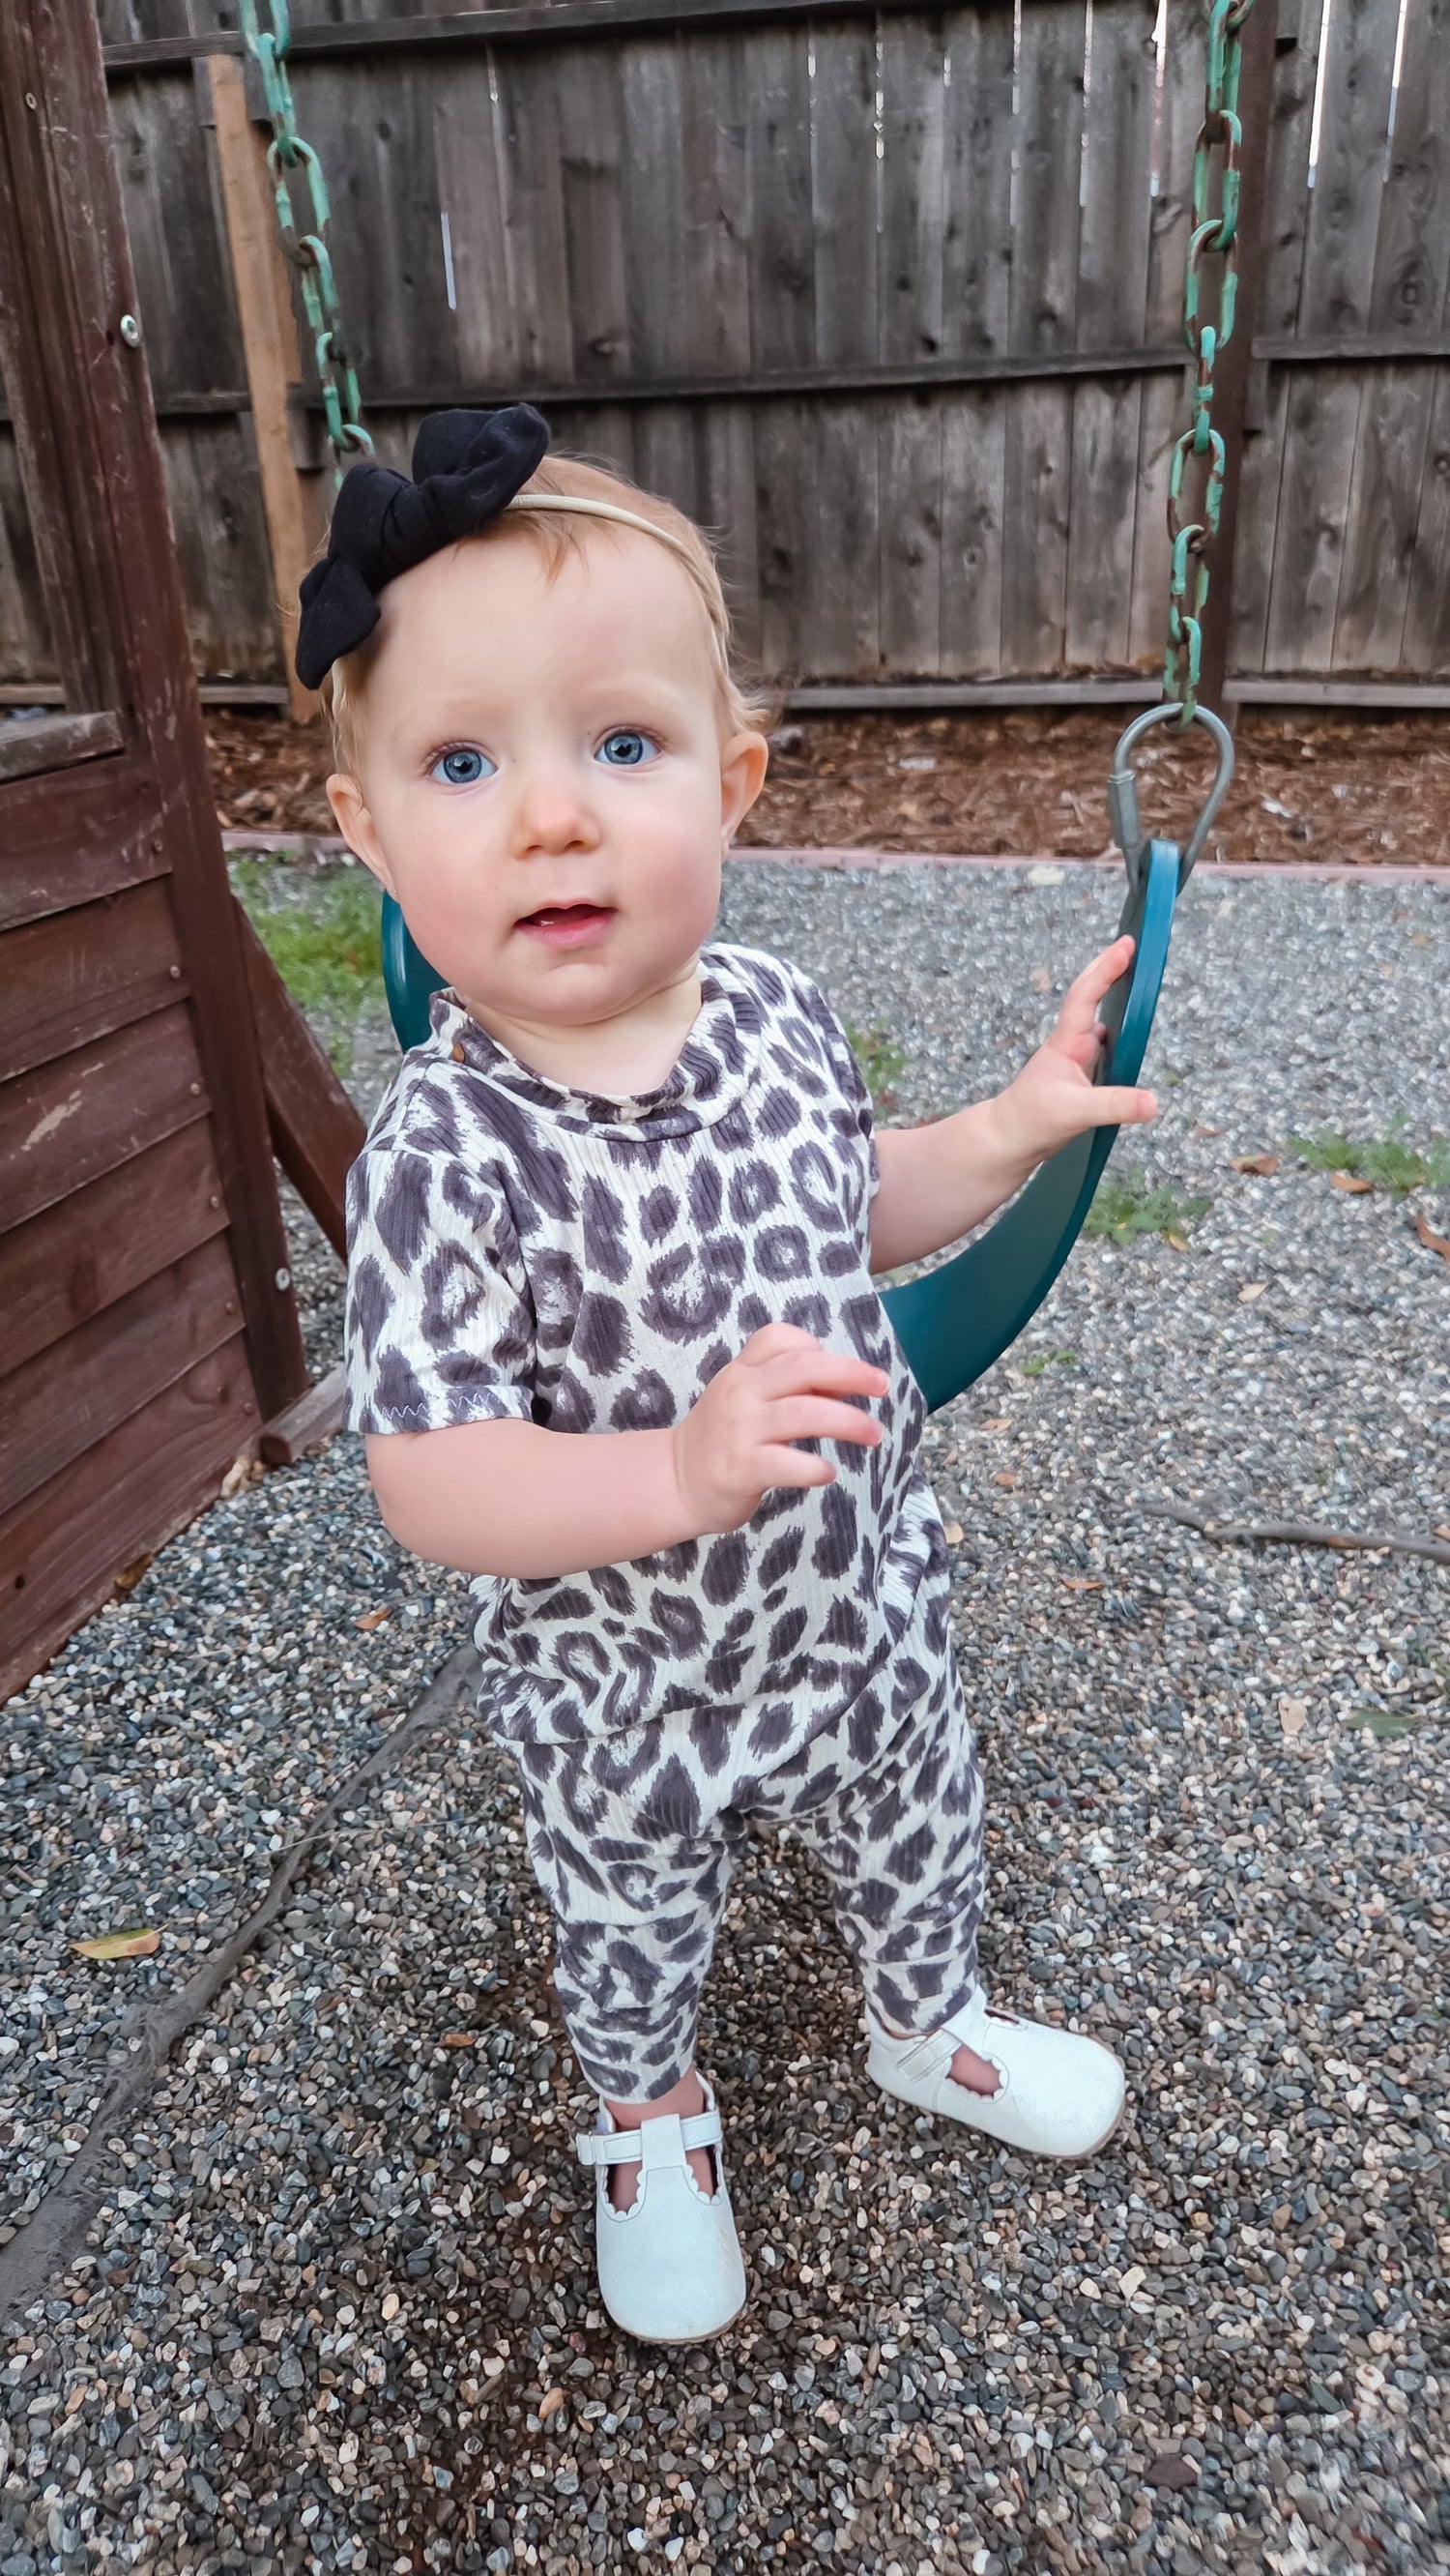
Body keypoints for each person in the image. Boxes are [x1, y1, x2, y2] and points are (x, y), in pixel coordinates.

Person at [305, 407, 1153, 2347]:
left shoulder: (775, 1012)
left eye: (623, 745)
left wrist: (1008, 1128)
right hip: (623, 1681)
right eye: (462, 761)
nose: (553, 816)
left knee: (923, 1820)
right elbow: (432, 1478)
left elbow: (849, 1200)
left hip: (855, 1604)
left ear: (735, 779)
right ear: (366, 832)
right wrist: (673, 1476)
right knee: (626, 1918)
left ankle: (929, 2021)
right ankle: (651, 2124)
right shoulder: (442, 1160)